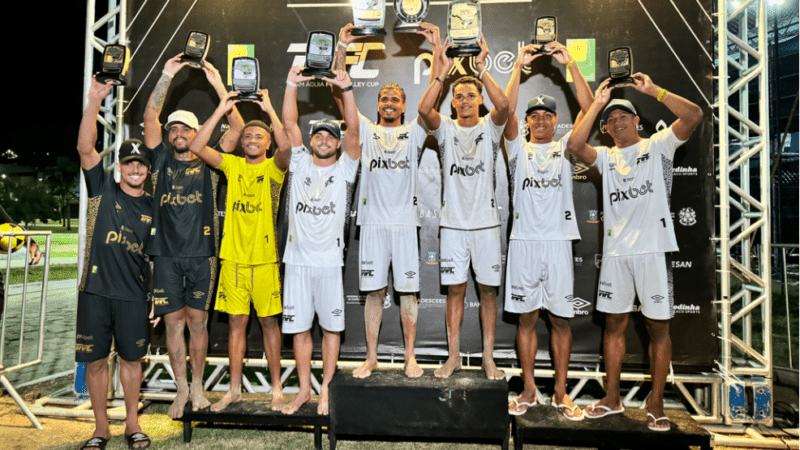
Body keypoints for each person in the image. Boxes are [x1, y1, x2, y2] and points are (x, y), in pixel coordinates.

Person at [566, 74, 703, 431]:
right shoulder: (606, 156)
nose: (616, 121)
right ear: (607, 128)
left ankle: (655, 401)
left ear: (637, 120)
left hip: (652, 251)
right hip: (615, 255)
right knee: (614, 325)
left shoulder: (658, 146)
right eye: (610, 119)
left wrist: (654, 90)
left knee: (659, 328)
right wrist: (596, 103)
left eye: (623, 115)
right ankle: (612, 398)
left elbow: (693, 116)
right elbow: (575, 145)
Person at [331, 22, 441, 379]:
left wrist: (438, 51)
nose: (389, 103)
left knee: (408, 293)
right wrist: (342, 50)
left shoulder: (415, 132)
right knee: (374, 292)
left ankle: (410, 357)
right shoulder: (366, 129)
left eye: (395, 99)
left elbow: (433, 100)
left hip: (406, 225)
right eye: (383, 98)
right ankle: (371, 357)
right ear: (377, 104)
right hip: (373, 224)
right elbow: (339, 92)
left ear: (404, 105)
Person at [142, 54, 245, 418]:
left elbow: (236, 129)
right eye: (174, 129)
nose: (179, 134)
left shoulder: (211, 159)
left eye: (186, 129)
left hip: (203, 254)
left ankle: (199, 387)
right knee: (173, 322)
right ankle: (181, 389)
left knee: (198, 322)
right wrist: (168, 72)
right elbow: (150, 117)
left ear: (197, 132)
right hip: (165, 254)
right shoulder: (158, 160)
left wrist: (219, 84)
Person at [502, 43, 593, 418]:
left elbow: (591, 109)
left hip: (557, 242)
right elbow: (505, 111)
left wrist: (570, 63)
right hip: (523, 243)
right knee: (526, 320)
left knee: (559, 319)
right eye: (534, 115)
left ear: (556, 121)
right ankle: (527, 390)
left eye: (547, 115)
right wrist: (517, 70)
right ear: (527, 121)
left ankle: (560, 392)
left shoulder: (566, 148)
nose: (540, 120)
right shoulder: (516, 149)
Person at [187, 88, 291, 412]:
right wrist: (222, 107)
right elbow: (195, 146)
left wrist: (269, 108)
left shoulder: (275, 169)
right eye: (247, 135)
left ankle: (276, 388)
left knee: (270, 324)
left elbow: (288, 146)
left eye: (259, 136)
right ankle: (233, 390)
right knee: (236, 323)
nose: (251, 139)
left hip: (264, 260)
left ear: (267, 142)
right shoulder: (231, 166)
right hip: (232, 259)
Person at [417, 35, 509, 380]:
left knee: (488, 292)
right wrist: (441, 73)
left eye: (471, 95)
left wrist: (482, 69)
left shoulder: (490, 126)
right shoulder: (446, 130)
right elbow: (425, 110)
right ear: (453, 103)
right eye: (460, 96)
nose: (466, 100)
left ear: (480, 100)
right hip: (453, 225)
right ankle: (453, 356)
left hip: (486, 224)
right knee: (455, 292)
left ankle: (488, 358)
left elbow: (505, 108)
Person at [75, 77, 153, 450]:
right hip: (94, 292)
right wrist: (94, 100)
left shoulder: (154, 208)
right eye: (129, 163)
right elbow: (85, 147)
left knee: (132, 361)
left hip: (133, 296)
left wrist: (156, 297)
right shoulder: (102, 188)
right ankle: (101, 428)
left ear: (148, 170)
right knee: (95, 363)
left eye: (141, 164)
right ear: (119, 167)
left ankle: (132, 424)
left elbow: (155, 258)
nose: (135, 169)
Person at [281, 66, 359, 415]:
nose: (324, 139)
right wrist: (289, 84)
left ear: (338, 143)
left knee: (330, 330)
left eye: (330, 136)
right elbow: (288, 125)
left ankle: (326, 391)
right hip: (296, 263)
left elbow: (355, 130)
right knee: (299, 332)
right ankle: (303, 392)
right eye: (319, 135)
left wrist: (347, 89)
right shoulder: (298, 164)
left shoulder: (345, 169)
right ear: (311, 141)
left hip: (329, 264)